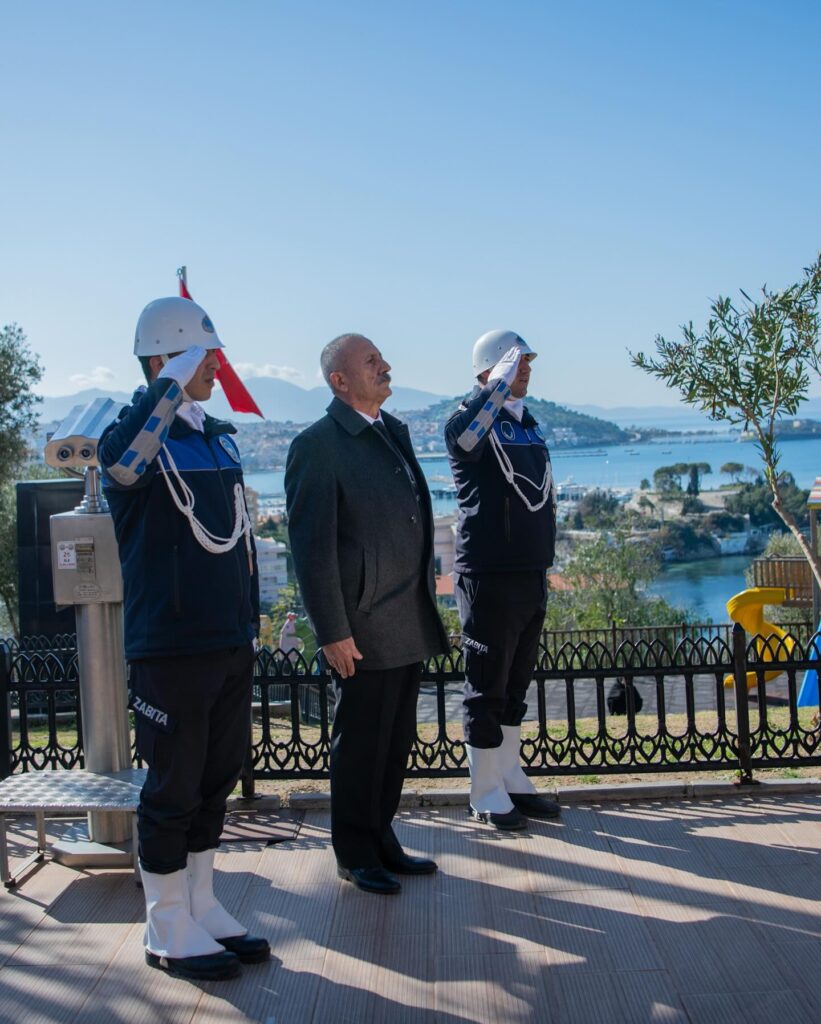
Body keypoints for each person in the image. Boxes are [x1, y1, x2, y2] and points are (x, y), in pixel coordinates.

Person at [99, 296, 269, 981]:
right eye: (204, 355)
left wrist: (248, 623)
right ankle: (165, 921)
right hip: (169, 645)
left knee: (215, 777)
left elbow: (239, 541)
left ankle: (201, 903)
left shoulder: (217, 437)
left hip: (227, 638)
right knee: (172, 786)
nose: (216, 367)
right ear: (165, 359)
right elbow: (124, 467)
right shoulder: (132, 437)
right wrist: (168, 385)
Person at [285, 333, 449, 895]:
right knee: (360, 746)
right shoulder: (318, 445)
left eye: (381, 358)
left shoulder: (392, 430)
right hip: (361, 625)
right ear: (340, 381)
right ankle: (355, 853)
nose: (386, 367)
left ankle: (382, 839)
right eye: (372, 361)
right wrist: (332, 631)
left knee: (395, 740)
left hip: (407, 615)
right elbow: (312, 550)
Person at [445, 329, 561, 829]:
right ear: (491, 370)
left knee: (515, 685)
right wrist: (495, 386)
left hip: (530, 571)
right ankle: (485, 792)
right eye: (517, 362)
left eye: (528, 361)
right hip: (488, 575)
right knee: (485, 687)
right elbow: (465, 438)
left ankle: (510, 778)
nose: (527, 368)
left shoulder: (526, 424)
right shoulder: (468, 421)